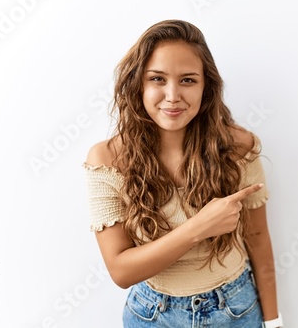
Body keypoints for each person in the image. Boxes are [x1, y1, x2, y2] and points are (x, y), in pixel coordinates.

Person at [82, 19, 283, 328]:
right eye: (157, 79)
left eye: (188, 80)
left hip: (236, 311)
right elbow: (121, 271)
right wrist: (199, 227)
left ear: (206, 87)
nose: (173, 95)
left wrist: (274, 323)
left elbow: (258, 239)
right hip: (152, 315)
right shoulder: (107, 160)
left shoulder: (239, 147)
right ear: (139, 84)